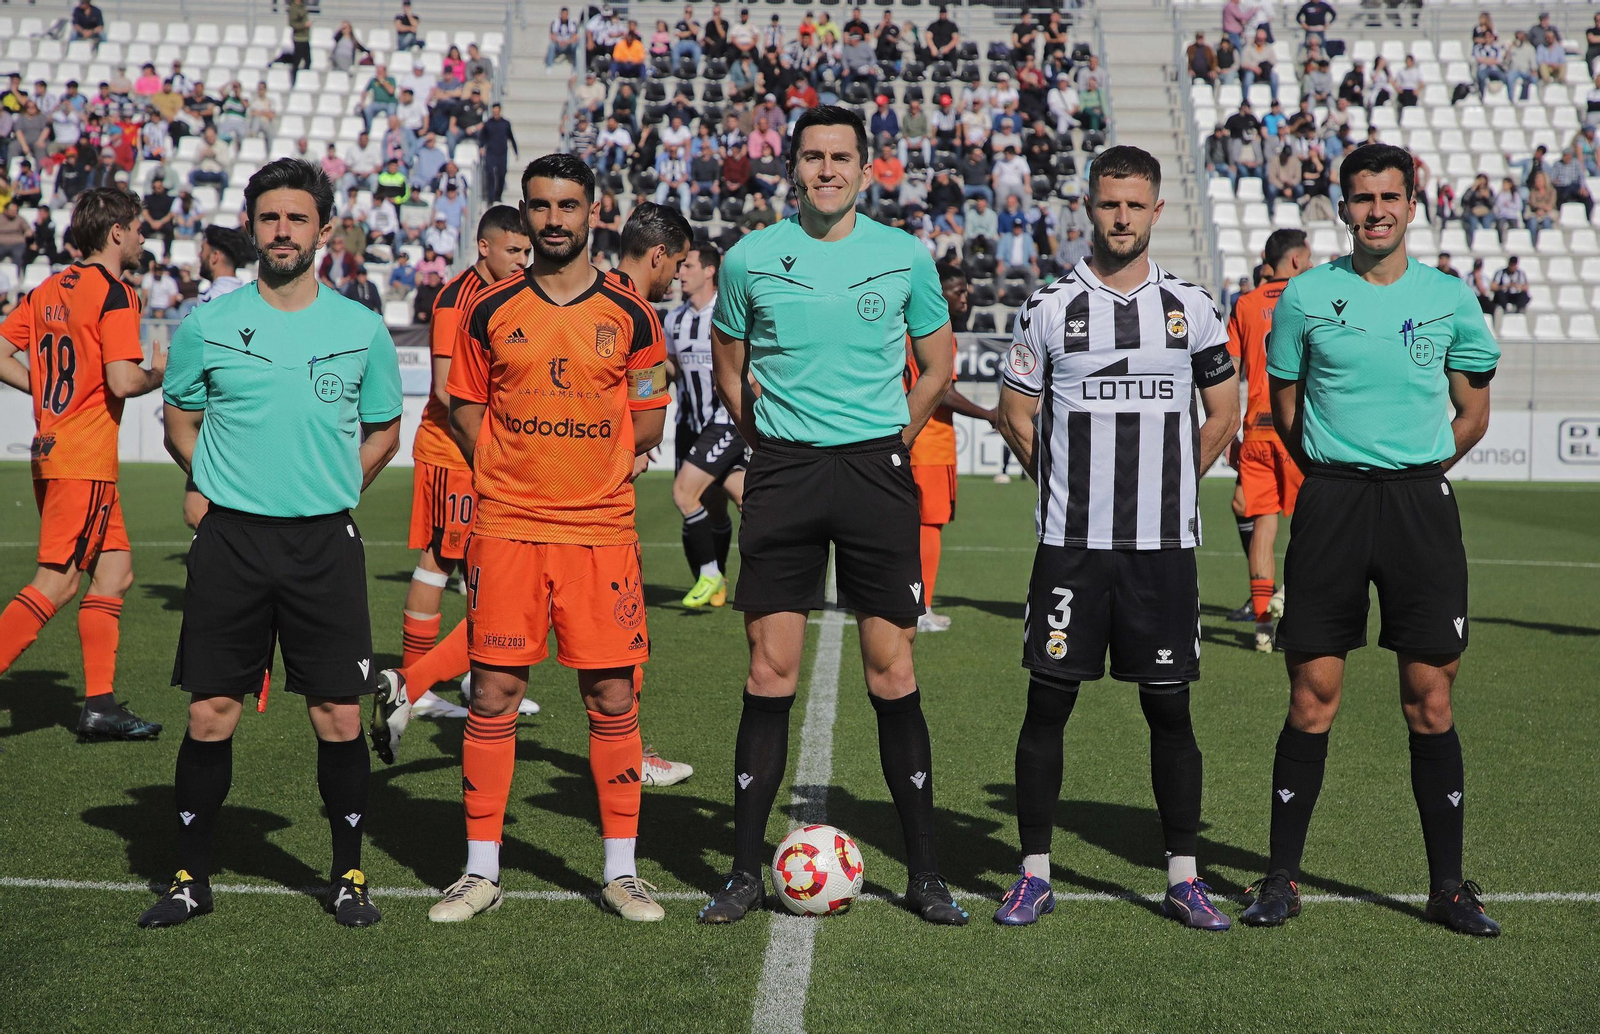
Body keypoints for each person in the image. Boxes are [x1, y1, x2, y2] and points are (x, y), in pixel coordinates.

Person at [700, 105, 966, 926]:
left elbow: (938, 362)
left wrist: (895, 436)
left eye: (841, 157)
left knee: (893, 669)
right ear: (792, 167)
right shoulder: (750, 259)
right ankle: (745, 871)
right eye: (813, 157)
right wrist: (772, 447)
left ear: (866, 165)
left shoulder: (904, 255)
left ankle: (924, 876)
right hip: (784, 472)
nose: (827, 171)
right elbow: (728, 365)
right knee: (768, 670)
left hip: (875, 474)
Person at [391, 154, 670, 925]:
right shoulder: (491, 308)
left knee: (612, 695)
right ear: (525, 212)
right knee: (494, 694)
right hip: (509, 527)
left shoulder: (633, 316)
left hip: (600, 532)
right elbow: (466, 407)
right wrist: (510, 469)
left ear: (594, 211)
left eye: (569, 206)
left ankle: (622, 873)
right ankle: (480, 872)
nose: (554, 220)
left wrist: (600, 466)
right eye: (541, 207)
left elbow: (649, 419)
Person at [1241, 143, 1502, 937]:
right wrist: (1335, 473)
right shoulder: (1303, 297)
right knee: (1312, 696)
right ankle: (1281, 879)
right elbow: (1287, 408)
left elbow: (1472, 412)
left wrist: (1416, 468)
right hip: (1333, 504)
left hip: (1421, 505)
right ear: (1341, 206)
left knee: (1430, 698)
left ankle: (1449, 888)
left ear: (1413, 203)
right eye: (1362, 198)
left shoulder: (1451, 299)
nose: (1377, 210)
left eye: (1390, 196)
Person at [139, 159, 402, 932]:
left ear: (325, 228)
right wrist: (217, 481)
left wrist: (333, 487)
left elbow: (386, 429)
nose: (282, 231)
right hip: (231, 543)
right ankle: (190, 878)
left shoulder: (359, 328)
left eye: (297, 218)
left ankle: (348, 875)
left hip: (324, 542)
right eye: (268, 218)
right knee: (212, 714)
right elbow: (179, 418)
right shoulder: (208, 324)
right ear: (252, 227)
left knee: (338, 717)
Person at [992, 145, 1240, 930]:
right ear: (1089, 208)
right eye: (1108, 204)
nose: (1121, 217)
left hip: (1162, 550)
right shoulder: (1048, 307)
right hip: (1071, 546)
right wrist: (1058, 481)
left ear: (1156, 211)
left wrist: (1174, 483)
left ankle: (1184, 876)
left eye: (1135, 205)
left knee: (1170, 712)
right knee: (1046, 703)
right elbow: (1016, 413)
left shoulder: (1192, 307)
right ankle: (1033, 873)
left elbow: (1224, 413)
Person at [0, 188, 166, 739]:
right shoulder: (115, 292)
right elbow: (122, 380)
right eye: (138, 227)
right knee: (58, 582)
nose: (143, 237)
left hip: (54, 449)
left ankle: (99, 706)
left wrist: (45, 391)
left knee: (115, 573)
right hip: (84, 457)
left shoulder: (48, 287)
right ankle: (98, 707)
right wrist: (159, 376)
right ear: (116, 232)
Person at [373, 207, 532, 755]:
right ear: (483, 248)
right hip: (455, 451)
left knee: (464, 564)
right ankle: (417, 683)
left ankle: (448, 679)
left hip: (476, 449)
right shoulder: (453, 299)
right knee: (448, 561)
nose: (522, 261)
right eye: (514, 251)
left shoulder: (505, 295)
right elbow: (445, 388)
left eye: (526, 253)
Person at [1226, 229, 1310, 652]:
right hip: (1299, 425)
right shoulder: (1310, 296)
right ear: (1295, 261)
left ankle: (1262, 625)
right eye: (1307, 258)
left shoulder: (1245, 303)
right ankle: (1285, 599)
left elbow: (1229, 372)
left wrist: (1228, 431)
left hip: (1257, 427)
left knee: (1262, 521)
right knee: (1311, 523)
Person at [905, 265, 994, 633]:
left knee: (912, 525)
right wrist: (989, 414)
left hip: (916, 438)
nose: (964, 297)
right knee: (929, 525)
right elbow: (940, 389)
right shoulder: (933, 331)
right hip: (927, 441)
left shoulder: (910, 328)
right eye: (956, 290)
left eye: (965, 289)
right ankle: (920, 606)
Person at [663, 240, 746, 609]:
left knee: (684, 494)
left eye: (688, 265)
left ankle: (710, 573)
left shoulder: (727, 315)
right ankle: (720, 578)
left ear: (710, 270)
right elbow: (669, 368)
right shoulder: (674, 319)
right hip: (689, 426)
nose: (679, 272)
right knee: (734, 502)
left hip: (724, 422)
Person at [480, 103, 519, 202]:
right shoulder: (488, 123)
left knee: (502, 174)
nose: (495, 114)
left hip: (502, 153)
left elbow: (511, 137)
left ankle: (498, 196)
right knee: (490, 174)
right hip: (491, 152)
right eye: (494, 112)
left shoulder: (505, 123)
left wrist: (516, 152)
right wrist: (481, 147)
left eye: (497, 112)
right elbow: (482, 137)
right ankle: (490, 197)